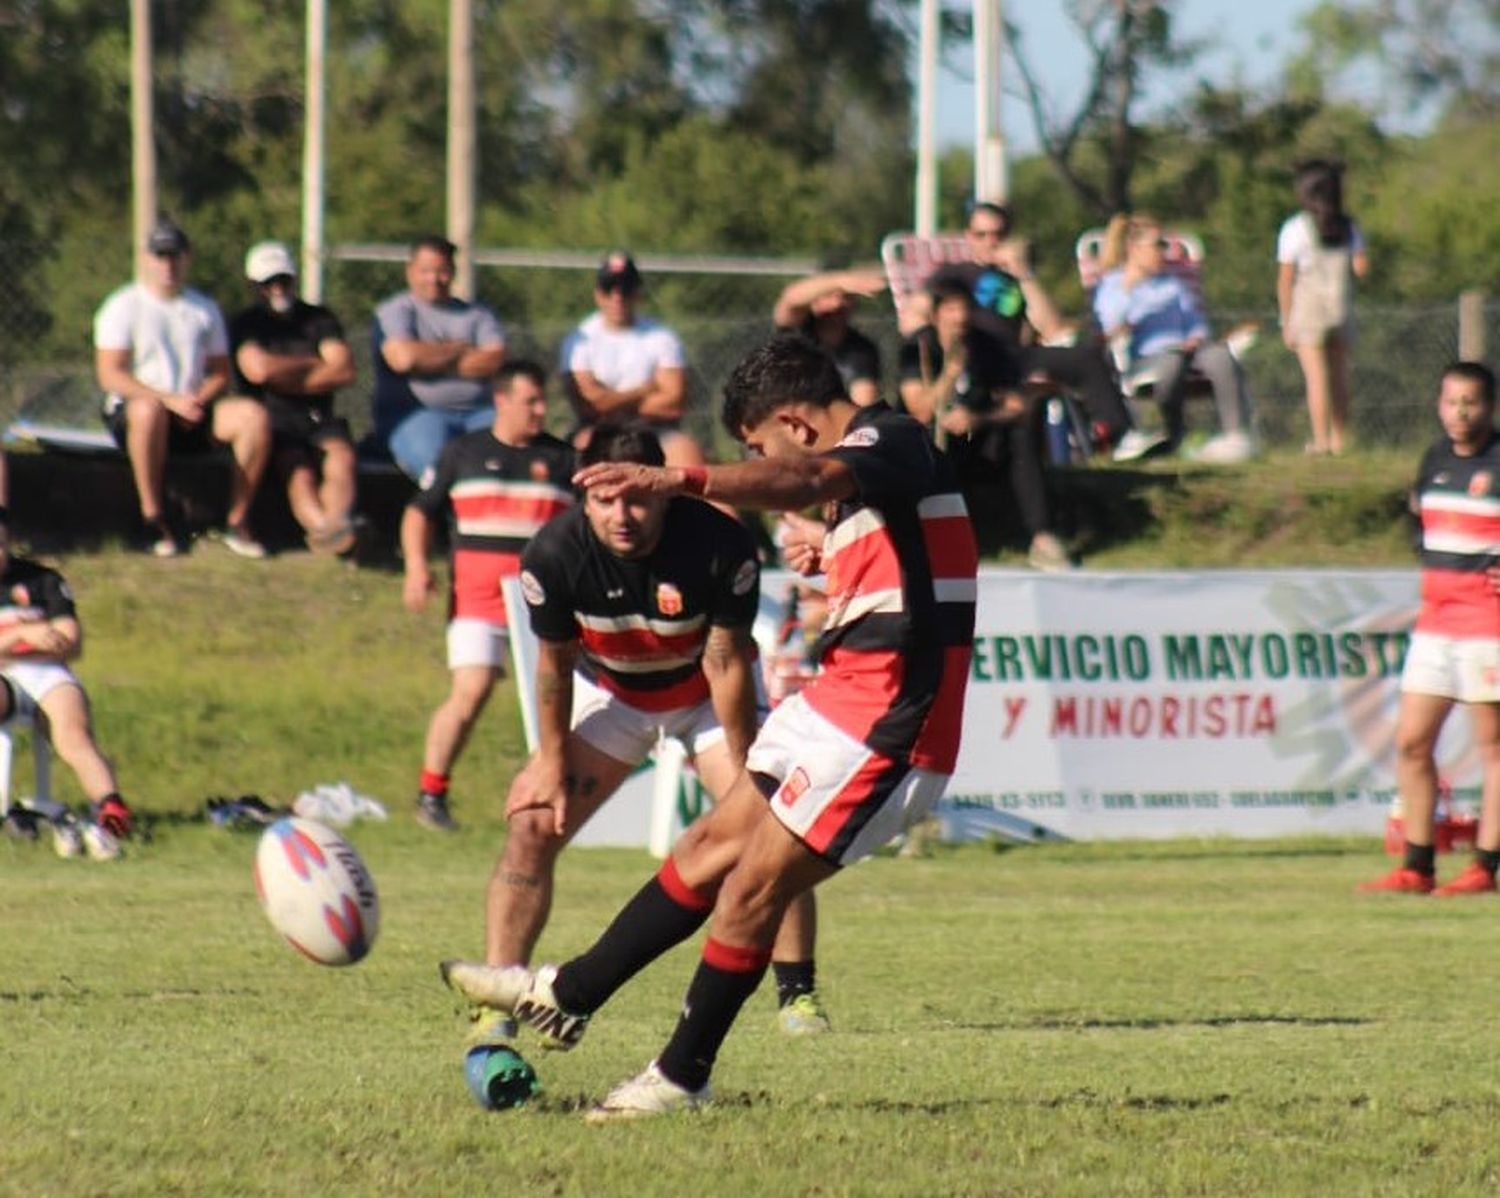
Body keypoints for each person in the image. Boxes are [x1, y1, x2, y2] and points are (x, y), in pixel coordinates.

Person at [442, 334, 978, 1120]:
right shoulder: (874, 473)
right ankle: (570, 991)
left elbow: (803, 475)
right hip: (837, 702)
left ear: (795, 425)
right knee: (704, 850)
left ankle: (681, 1075)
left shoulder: (887, 440)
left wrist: (679, 478)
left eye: (758, 447)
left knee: (750, 889)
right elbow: (904, 562)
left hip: (890, 726)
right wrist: (831, 549)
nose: (765, 465)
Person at [451, 419, 829, 1049]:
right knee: (532, 824)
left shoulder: (719, 543)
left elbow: (728, 661)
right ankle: (501, 997)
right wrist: (549, 760)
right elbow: (554, 667)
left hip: (707, 699)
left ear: (663, 490)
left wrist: (743, 761)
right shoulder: (551, 553)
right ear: (584, 495)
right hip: (620, 698)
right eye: (605, 500)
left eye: (636, 497)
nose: (621, 514)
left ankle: (798, 992)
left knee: (773, 829)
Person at [401, 361, 576, 831]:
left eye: (542, 401)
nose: (541, 410)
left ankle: (558, 792)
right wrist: (417, 567)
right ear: (501, 401)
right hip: (477, 600)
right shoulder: (463, 453)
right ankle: (431, 793)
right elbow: (419, 513)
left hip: (542, 605)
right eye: (530, 401)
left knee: (556, 697)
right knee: (471, 690)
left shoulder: (562, 460)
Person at [1361, 362, 1500, 896]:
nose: (1460, 413)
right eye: (1451, 402)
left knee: (1493, 748)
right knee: (1413, 743)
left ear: (1489, 407)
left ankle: (1486, 867)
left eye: (1471, 402)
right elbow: (1422, 530)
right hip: (1436, 623)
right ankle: (1417, 867)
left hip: (1487, 624)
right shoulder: (1435, 459)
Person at [94, 217, 272, 558]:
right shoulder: (123, 306)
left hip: (192, 409)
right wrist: (169, 400)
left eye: (174, 255)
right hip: (140, 411)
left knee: (253, 416)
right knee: (148, 410)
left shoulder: (204, 309)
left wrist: (198, 400)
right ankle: (152, 518)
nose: (167, 264)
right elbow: (110, 375)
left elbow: (221, 372)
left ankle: (238, 520)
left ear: (187, 258)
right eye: (160, 256)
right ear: (146, 258)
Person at [928, 202, 1145, 460]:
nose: (990, 242)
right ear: (968, 236)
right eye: (981, 235)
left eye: (998, 235)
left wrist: (1024, 274)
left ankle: (1115, 434)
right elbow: (925, 309)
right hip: (975, 356)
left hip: (1016, 356)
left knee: (1086, 356)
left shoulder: (1016, 274)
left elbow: (1052, 327)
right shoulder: (955, 275)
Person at [899, 279, 1072, 570]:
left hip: (977, 438)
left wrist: (980, 418)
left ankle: (1042, 537)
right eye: (951, 310)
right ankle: (937, 542)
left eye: (965, 310)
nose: (960, 318)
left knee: (1020, 434)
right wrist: (952, 372)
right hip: (932, 443)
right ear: (936, 314)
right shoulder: (918, 349)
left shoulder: (986, 347)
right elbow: (921, 410)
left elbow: (1018, 405)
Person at [0, 508, 134, 850]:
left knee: (73, 734)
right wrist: (21, 636)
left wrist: (23, 647)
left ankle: (111, 810)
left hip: (45, 672)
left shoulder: (41, 580)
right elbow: (40, 637)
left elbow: (70, 643)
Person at [1094, 213, 1258, 464]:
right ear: (1134, 249)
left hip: (1190, 350)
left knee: (1221, 357)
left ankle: (1236, 436)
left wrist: (1196, 337)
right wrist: (1130, 288)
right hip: (1150, 357)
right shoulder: (1113, 284)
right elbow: (1109, 326)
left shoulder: (1171, 283)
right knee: (1172, 363)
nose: (1165, 251)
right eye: (1158, 244)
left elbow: (1194, 319)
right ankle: (1174, 434)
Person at [229, 240, 359, 555]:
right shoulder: (246, 323)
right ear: (254, 286)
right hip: (276, 421)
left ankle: (334, 525)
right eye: (267, 283)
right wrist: (314, 364)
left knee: (341, 457)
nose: (277, 289)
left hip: (319, 418)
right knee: (297, 469)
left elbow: (344, 369)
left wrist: (284, 377)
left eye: (283, 280)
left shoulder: (318, 318)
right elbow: (257, 371)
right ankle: (322, 528)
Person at [373, 235, 506, 482]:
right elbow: (404, 360)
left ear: (453, 271)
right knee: (438, 472)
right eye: (425, 271)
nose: (434, 279)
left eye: (442, 271)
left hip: (480, 413)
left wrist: (428, 360)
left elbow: (495, 360)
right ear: (410, 272)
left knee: (507, 457)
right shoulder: (396, 311)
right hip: (416, 414)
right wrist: (460, 350)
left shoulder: (477, 314)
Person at [560, 252, 706, 468]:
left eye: (625, 290)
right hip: (598, 429)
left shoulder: (661, 337)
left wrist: (612, 402)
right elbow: (589, 404)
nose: (617, 297)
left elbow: (673, 403)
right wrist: (644, 390)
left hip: (654, 429)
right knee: (581, 448)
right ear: (598, 295)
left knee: (687, 454)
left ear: (637, 294)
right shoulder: (580, 339)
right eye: (609, 289)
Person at [1277, 160, 1370, 457]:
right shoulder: (1348, 226)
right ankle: (1340, 439)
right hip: (1340, 308)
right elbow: (1361, 268)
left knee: (1316, 379)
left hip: (1309, 311)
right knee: (1340, 376)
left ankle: (1320, 440)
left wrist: (1286, 320)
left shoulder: (1296, 228)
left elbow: (1286, 278)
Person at [773, 267, 887, 406]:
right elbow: (790, 299)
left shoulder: (861, 349)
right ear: (812, 301)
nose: (837, 304)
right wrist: (840, 281)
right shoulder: (795, 334)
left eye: (844, 297)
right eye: (829, 296)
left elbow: (863, 400)